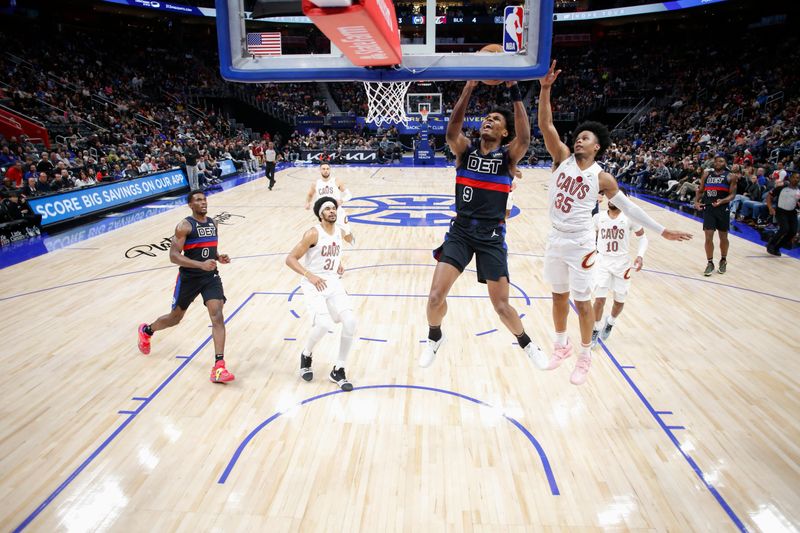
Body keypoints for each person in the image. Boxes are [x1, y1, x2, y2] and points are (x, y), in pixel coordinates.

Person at [538, 60, 691, 385]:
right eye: (578, 136)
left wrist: (662, 231)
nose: (579, 140)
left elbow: (630, 208)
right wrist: (545, 88)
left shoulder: (602, 178)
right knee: (557, 296)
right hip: (555, 238)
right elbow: (547, 125)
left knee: (582, 301)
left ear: (598, 147)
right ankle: (560, 345)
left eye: (586, 138)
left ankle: (584, 355)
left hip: (581, 241)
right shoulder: (561, 157)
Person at [421, 80, 548, 370]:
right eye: (487, 118)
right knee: (435, 296)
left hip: (491, 235)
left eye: (496, 120)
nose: (489, 121)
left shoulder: (508, 157)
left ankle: (527, 343)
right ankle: (434, 336)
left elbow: (525, 138)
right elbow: (452, 130)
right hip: (462, 231)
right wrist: (468, 88)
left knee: (501, 306)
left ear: (504, 132)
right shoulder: (465, 151)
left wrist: (515, 89)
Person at [137, 190, 235, 383]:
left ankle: (219, 366)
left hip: (210, 276)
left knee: (217, 315)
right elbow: (174, 256)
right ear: (190, 205)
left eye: (204, 199)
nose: (203, 202)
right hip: (189, 278)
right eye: (198, 200)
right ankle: (147, 331)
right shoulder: (184, 226)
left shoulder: (213, 223)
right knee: (175, 318)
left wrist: (218, 257)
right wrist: (200, 264)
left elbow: (208, 249)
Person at [285, 196, 357, 391]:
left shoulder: (339, 232)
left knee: (350, 322)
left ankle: (339, 369)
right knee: (324, 324)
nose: (332, 211)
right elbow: (290, 259)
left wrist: (338, 265)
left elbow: (343, 247)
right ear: (320, 214)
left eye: (333, 208)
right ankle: (306, 354)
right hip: (313, 284)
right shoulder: (312, 233)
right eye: (327, 209)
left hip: (333, 282)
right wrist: (310, 275)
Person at [590, 192, 647, 346]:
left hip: (622, 263)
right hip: (602, 261)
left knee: (619, 301)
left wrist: (640, 255)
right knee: (599, 299)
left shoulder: (630, 218)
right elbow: (588, 235)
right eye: (611, 197)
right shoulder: (598, 217)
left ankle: (611, 321)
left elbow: (642, 237)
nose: (612, 200)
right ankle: (595, 329)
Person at [694, 154, 739, 276]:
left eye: (721, 161)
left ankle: (723, 260)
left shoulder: (731, 176)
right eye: (716, 161)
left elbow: (732, 195)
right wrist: (696, 201)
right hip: (709, 208)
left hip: (722, 209)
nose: (718, 163)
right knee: (708, 237)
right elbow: (701, 189)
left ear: (725, 163)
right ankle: (710, 263)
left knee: (723, 237)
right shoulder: (706, 174)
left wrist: (722, 201)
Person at [305, 162, 354, 242]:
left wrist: (342, 200)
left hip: (338, 212)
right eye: (323, 169)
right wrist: (308, 202)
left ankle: (353, 245)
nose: (326, 171)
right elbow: (310, 195)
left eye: (327, 169)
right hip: (324, 214)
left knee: (346, 234)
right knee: (327, 235)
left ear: (330, 170)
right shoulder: (316, 183)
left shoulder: (336, 181)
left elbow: (349, 194)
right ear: (320, 170)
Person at [765, 171, 799, 256]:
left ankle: (777, 247)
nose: (796, 179)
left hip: (792, 213)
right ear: (790, 178)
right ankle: (771, 244)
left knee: (793, 232)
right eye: (794, 177)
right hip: (781, 211)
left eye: (798, 178)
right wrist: (770, 207)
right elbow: (769, 196)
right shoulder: (781, 188)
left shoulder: (799, 190)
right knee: (784, 228)